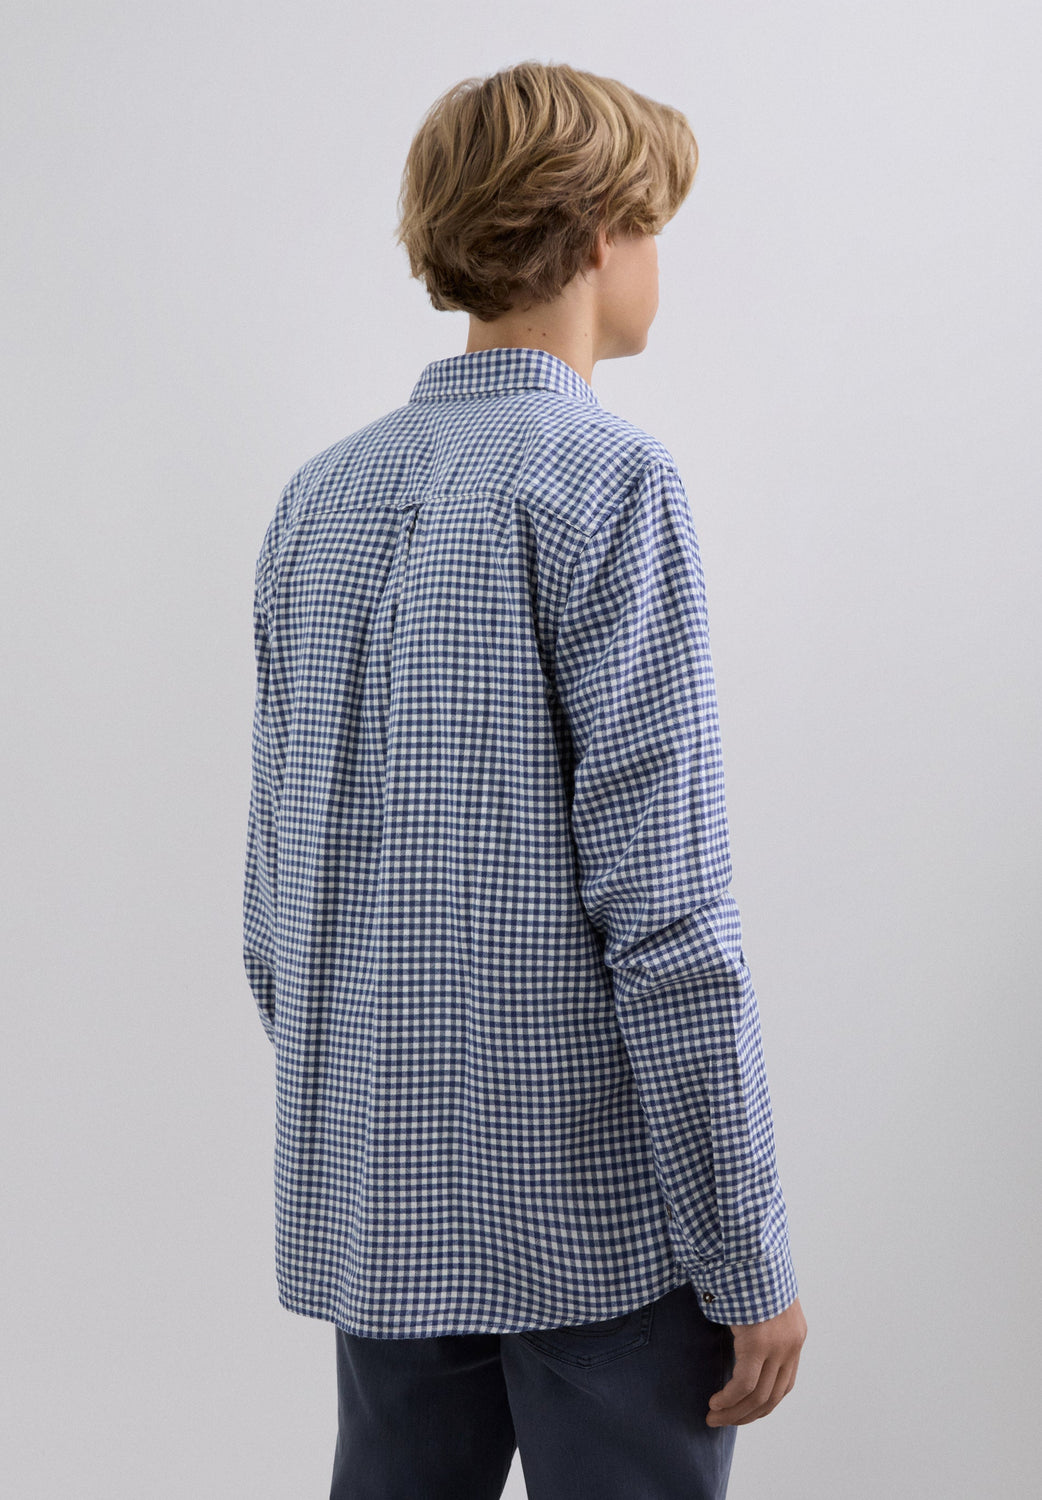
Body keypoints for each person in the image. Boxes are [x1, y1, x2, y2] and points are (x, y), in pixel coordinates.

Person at [243, 58, 807, 1500]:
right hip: (598, 1226)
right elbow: (668, 919)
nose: (661, 258)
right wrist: (746, 1251)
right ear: (602, 230)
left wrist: (374, 1108)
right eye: (656, 225)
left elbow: (274, 906)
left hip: (381, 1201)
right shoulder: (607, 483)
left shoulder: (318, 500)